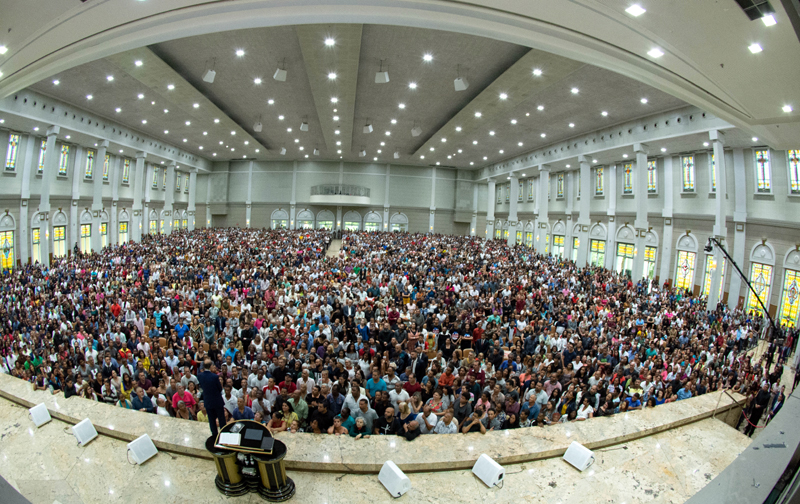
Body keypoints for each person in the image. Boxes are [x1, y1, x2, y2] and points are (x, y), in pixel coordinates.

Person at [197, 359, 225, 437]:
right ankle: (223, 435)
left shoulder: (199, 375)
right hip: (217, 401)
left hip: (208, 401)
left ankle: (214, 435)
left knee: (211, 420)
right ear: (211, 366)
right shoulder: (215, 377)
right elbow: (219, 388)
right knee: (221, 419)